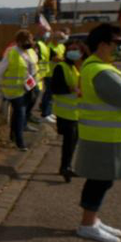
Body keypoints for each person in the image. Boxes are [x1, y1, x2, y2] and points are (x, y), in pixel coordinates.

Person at [74, 23, 121, 242]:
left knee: (102, 181)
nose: (120, 47)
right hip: (104, 137)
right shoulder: (100, 70)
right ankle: (87, 224)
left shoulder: (102, 66)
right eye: (117, 43)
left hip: (107, 136)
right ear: (102, 44)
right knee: (99, 181)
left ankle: (92, 220)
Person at [0, 30, 39, 151]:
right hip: (14, 90)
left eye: (30, 40)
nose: (29, 43)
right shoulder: (12, 53)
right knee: (20, 113)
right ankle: (20, 142)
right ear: (18, 41)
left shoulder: (32, 52)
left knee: (19, 114)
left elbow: (34, 67)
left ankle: (13, 135)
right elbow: (2, 67)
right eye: (26, 41)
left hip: (28, 87)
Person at [51, 39, 85, 182]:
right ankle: (66, 167)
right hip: (65, 113)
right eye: (71, 49)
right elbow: (55, 88)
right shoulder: (61, 67)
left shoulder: (76, 67)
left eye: (76, 49)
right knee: (69, 142)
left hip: (75, 112)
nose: (73, 52)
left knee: (73, 142)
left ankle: (66, 166)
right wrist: (71, 89)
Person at [34, 23, 55, 123]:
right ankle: (45, 113)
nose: (48, 34)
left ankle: (47, 112)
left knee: (43, 94)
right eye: (46, 31)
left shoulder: (43, 44)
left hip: (42, 74)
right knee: (41, 94)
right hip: (37, 74)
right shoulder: (38, 43)